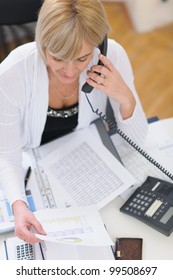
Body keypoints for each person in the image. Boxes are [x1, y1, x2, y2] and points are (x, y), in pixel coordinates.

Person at [0, 0, 148, 244]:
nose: (69, 72)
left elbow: (138, 141)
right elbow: (6, 152)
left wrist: (125, 97)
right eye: (58, 58)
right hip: (32, 163)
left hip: (83, 161)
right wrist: (18, 204)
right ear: (42, 43)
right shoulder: (13, 72)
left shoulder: (111, 57)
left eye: (81, 59)